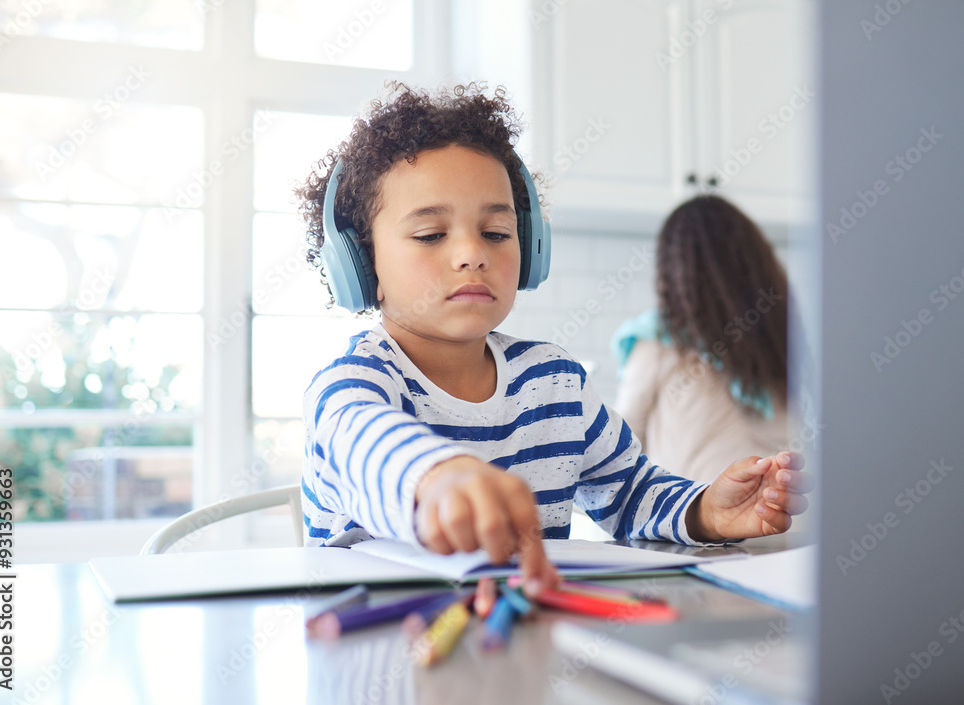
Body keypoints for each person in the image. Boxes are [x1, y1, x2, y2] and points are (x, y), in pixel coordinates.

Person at [295, 83, 810, 596]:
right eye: (431, 235)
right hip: (378, 652)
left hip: (520, 638)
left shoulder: (554, 382)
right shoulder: (351, 384)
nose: (471, 253)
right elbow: (367, 443)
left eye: (497, 233)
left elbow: (630, 492)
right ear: (362, 264)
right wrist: (438, 479)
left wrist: (705, 512)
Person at [612, 195, 790, 483]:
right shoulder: (780, 336)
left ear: (673, 272)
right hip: (786, 518)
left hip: (692, 524)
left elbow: (617, 452)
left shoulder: (657, 343)